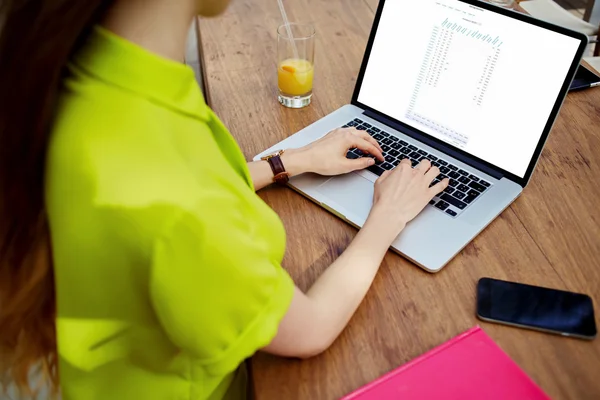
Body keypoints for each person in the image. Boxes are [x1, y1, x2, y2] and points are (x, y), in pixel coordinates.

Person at [0, 0, 448, 399]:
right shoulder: (177, 194)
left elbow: (187, 179)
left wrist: (290, 161)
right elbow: (309, 328)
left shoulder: (89, 69)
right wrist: (387, 216)